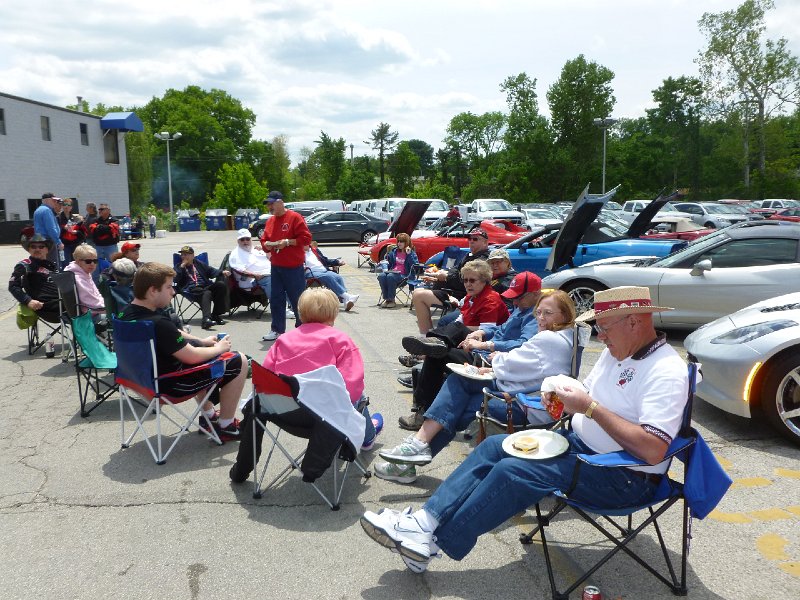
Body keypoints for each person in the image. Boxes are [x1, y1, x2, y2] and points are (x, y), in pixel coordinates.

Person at [361, 286, 689, 573]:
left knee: (514, 470)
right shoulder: (617, 352)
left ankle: (431, 539)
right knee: (494, 448)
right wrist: (560, 395)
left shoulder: (665, 371)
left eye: (604, 328)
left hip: (623, 476)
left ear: (634, 322)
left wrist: (588, 408)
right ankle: (423, 527)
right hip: (578, 445)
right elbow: (585, 391)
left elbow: (651, 449)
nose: (599, 336)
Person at [375, 289, 576, 483]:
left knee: (455, 400)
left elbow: (514, 362)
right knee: (457, 394)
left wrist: (496, 359)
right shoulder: (566, 337)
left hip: (528, 405)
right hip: (526, 395)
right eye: (539, 312)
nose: (540, 317)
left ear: (565, 315)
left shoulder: (549, 338)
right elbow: (529, 366)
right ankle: (413, 452)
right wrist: (494, 364)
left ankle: (412, 453)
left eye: (548, 313)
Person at [228, 288, 383, 483]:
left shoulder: (283, 340)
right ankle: (367, 438)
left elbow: (264, 382)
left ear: (301, 313)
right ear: (334, 314)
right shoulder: (341, 340)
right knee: (359, 397)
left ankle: (242, 468)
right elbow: (352, 388)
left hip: (284, 414)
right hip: (325, 421)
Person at [120, 262, 246, 441]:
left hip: (137, 381)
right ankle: (226, 426)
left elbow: (172, 332)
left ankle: (209, 417)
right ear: (152, 290)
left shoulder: (125, 314)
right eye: (169, 287)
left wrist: (201, 341)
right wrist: (219, 348)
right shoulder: (158, 323)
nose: (173, 292)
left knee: (203, 350)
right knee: (238, 360)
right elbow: (191, 357)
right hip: (169, 386)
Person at [396, 260, 509, 429]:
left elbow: (488, 331)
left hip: (482, 353)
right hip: (466, 344)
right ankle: (432, 347)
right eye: (465, 280)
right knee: (442, 344)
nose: (468, 284)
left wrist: (458, 329)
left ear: (485, 280)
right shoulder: (471, 297)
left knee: (438, 352)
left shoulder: (491, 299)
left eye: (473, 280)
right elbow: (460, 319)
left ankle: (422, 411)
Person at [396, 270, 541, 391]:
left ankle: (422, 408)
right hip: (487, 347)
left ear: (535, 294)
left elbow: (524, 344)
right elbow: (502, 327)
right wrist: (482, 333)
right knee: (453, 332)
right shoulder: (521, 308)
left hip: (493, 358)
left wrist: (485, 345)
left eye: (519, 298)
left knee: (439, 355)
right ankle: (432, 345)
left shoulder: (536, 315)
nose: (514, 302)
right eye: (465, 280)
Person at [408, 229, 491, 336]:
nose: (471, 241)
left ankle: (428, 338)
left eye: (475, 239)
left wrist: (446, 277)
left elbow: (466, 280)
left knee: (419, 295)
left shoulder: (483, 259)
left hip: (462, 295)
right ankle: (426, 336)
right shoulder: (469, 255)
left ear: (485, 242)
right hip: (451, 291)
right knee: (418, 292)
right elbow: (455, 270)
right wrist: (438, 276)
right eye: (469, 239)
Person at [259, 190, 312, 341]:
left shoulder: (294, 217)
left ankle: (302, 329)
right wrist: (267, 245)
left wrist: (288, 242)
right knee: (276, 299)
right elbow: (264, 240)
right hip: (276, 266)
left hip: (293, 267)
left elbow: (306, 238)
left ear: (280, 202)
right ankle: (277, 329)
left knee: (298, 299)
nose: (269, 207)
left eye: (271, 203)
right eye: (268, 204)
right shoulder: (270, 221)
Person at [9, 233, 61, 356]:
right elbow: (13, 286)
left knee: (86, 304)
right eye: (34, 246)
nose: (37, 249)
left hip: (62, 303)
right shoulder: (25, 265)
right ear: (29, 249)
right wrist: (28, 301)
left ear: (47, 249)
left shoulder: (51, 266)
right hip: (46, 307)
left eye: (41, 246)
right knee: (82, 308)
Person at [173, 245, 230, 330]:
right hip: (190, 290)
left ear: (192, 255)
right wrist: (182, 267)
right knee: (207, 293)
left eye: (186, 254)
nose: (184, 256)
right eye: (182, 255)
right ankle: (206, 320)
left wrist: (222, 272)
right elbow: (175, 279)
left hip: (204, 286)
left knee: (221, 285)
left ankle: (215, 315)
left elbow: (211, 271)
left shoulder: (198, 263)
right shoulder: (178, 266)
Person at [304, 244, 359, 311]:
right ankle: (347, 296)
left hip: (323, 269)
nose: (305, 245)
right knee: (328, 277)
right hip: (311, 272)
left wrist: (337, 262)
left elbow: (325, 260)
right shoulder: (299, 253)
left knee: (338, 277)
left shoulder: (314, 250)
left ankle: (346, 302)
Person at [63, 243, 105, 325]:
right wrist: (109, 307)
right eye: (88, 261)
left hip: (92, 311)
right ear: (78, 261)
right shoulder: (78, 279)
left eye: (95, 261)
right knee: (121, 315)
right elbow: (92, 302)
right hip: (89, 315)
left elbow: (96, 294)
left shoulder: (83, 272)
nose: (92, 264)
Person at [377, 233, 418, 308]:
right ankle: (387, 299)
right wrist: (384, 262)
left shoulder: (411, 253)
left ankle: (391, 300)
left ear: (406, 242)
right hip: (392, 272)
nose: (399, 243)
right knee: (381, 276)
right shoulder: (394, 252)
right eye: (398, 241)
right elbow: (388, 262)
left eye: (401, 241)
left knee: (390, 276)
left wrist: (409, 255)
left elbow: (415, 266)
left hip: (404, 276)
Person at [34, 192, 64, 266]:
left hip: (39, 240)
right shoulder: (47, 210)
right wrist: (58, 242)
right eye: (54, 200)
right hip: (48, 241)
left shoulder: (38, 210)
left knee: (42, 264)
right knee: (52, 265)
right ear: (48, 200)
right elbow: (51, 228)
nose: (55, 202)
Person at [58, 198, 86, 267]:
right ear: (62, 206)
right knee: (66, 265)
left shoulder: (77, 218)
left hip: (75, 245)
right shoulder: (57, 218)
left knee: (77, 264)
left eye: (68, 205)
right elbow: (54, 232)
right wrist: (64, 228)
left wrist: (76, 232)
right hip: (64, 246)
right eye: (64, 204)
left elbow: (83, 234)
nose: (66, 206)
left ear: (71, 207)